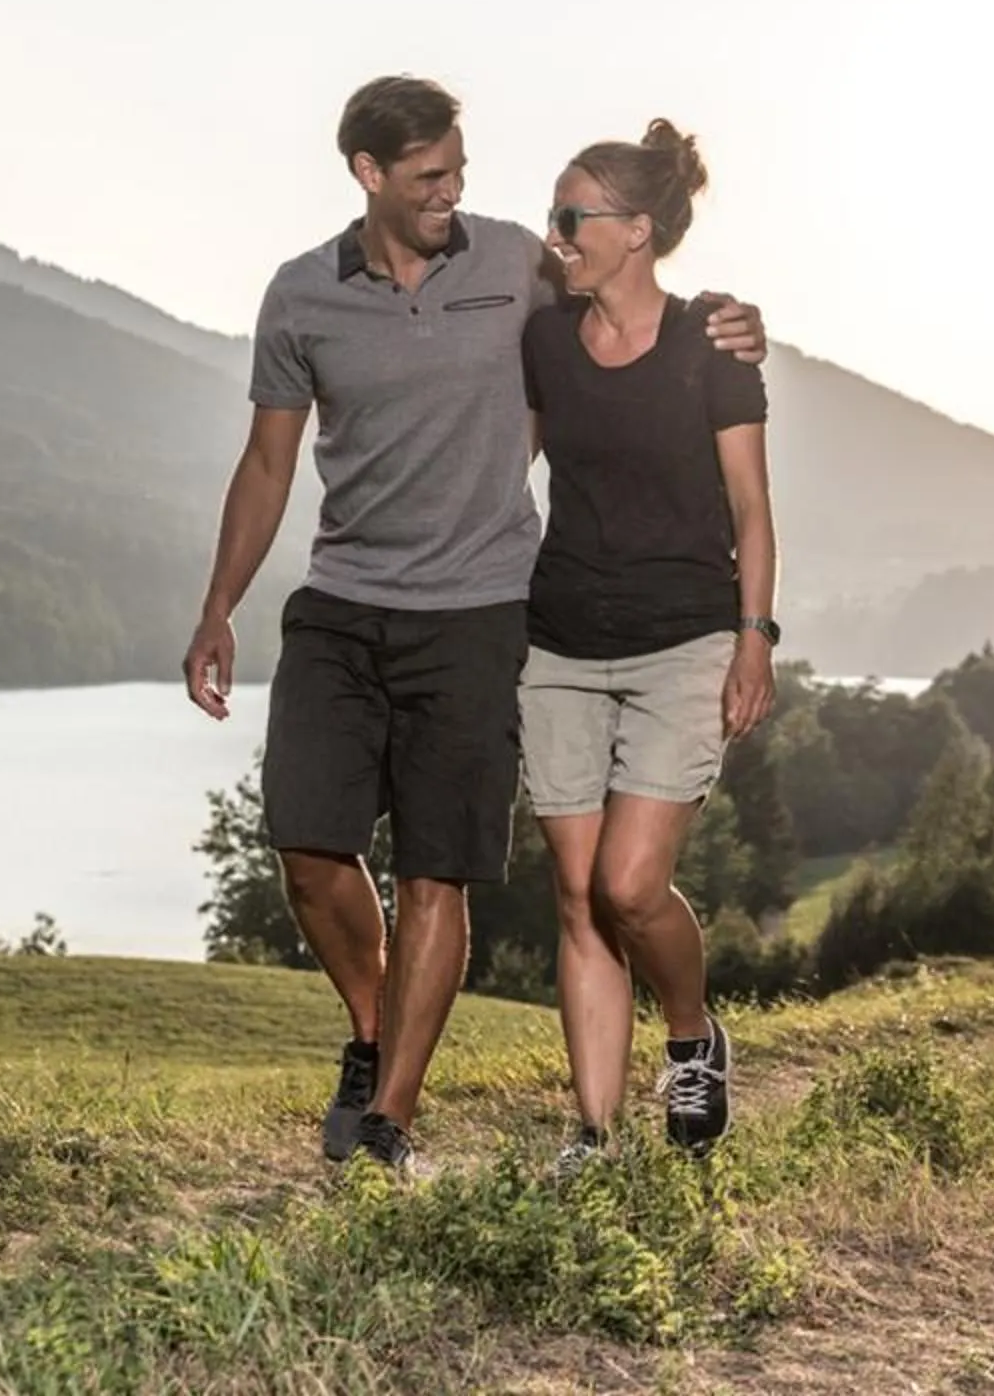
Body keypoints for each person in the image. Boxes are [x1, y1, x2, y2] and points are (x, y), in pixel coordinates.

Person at [183, 76, 763, 1174]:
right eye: (429, 175)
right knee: (308, 848)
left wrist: (738, 319)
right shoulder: (301, 295)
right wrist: (219, 604)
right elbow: (267, 461)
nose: (453, 190)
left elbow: (635, 289)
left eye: (458, 167)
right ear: (369, 174)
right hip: (344, 600)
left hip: (481, 609)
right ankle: (375, 1027)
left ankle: (389, 1121)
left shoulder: (511, 261)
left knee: (438, 872)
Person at [521, 119, 777, 1176]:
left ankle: (692, 1034)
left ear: (635, 229)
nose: (557, 232)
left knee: (631, 884)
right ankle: (594, 1133)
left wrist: (754, 637)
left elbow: (752, 509)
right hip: (560, 643)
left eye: (573, 215)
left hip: (684, 642)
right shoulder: (543, 339)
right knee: (577, 896)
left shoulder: (711, 346)